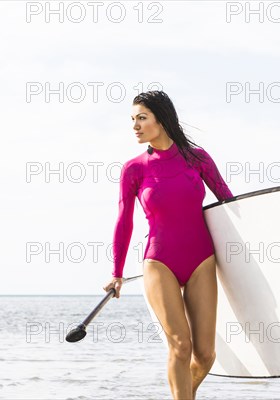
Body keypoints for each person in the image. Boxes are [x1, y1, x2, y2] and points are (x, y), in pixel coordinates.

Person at [103, 91, 234, 400]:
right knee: (180, 344)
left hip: (202, 259)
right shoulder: (134, 168)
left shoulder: (197, 158)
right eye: (133, 119)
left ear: (161, 120)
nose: (134, 126)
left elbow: (228, 202)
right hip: (160, 261)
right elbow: (124, 221)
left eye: (141, 118)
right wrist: (117, 272)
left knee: (205, 356)